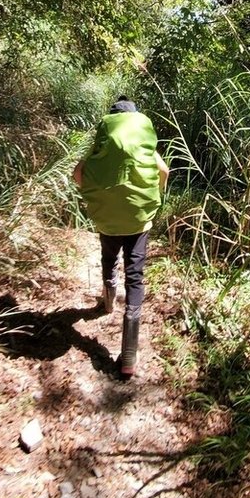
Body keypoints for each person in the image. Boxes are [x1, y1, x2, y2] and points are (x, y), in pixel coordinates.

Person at [73, 97, 169, 377]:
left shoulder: (103, 141)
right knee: (135, 274)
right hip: (139, 218)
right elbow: (164, 172)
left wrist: (97, 196)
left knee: (108, 255)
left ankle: (108, 300)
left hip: (107, 217)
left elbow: (77, 173)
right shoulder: (143, 144)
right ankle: (129, 355)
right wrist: (154, 194)